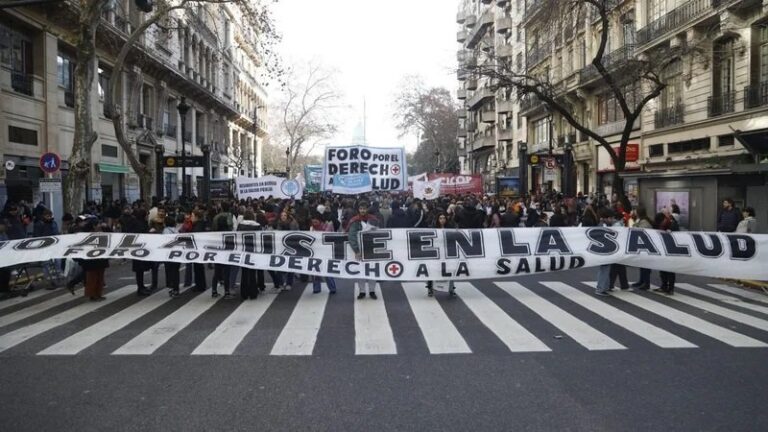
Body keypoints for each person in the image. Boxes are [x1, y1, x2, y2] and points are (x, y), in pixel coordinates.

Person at [347, 201, 379, 300]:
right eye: (361, 209)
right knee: (360, 271)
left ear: (367, 209)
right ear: (358, 210)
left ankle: (372, 290)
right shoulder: (354, 221)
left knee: (372, 270)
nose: (363, 210)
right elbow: (351, 236)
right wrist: (356, 250)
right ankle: (362, 291)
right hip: (360, 250)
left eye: (364, 208)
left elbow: (380, 232)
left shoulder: (373, 220)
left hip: (371, 249)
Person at [79, 217, 110, 301]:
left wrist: (106, 227)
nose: (100, 225)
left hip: (101, 258)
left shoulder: (102, 232)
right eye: (98, 224)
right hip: (92, 260)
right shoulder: (87, 235)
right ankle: (92, 294)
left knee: (100, 277)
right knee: (92, 278)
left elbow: (111, 235)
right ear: (93, 226)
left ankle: (98, 293)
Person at [426, 213, 456, 298]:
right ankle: (430, 288)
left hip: (447, 253)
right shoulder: (433, 229)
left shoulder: (450, 229)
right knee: (433, 270)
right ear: (437, 219)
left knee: (450, 271)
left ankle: (451, 289)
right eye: (440, 218)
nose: (442, 220)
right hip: (436, 253)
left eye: (444, 218)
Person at [237, 210, 263, 300]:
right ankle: (253, 292)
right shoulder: (257, 226)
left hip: (243, 250)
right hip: (253, 250)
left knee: (244, 272)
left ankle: (244, 293)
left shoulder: (240, 225)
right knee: (252, 272)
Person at [630, 206, 653, 291]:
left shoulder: (644, 222)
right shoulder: (640, 220)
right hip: (642, 246)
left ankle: (646, 283)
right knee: (642, 264)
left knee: (645, 266)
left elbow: (640, 231)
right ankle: (641, 281)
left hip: (646, 246)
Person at [653, 211, 677, 295]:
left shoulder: (672, 224)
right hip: (663, 249)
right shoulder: (662, 225)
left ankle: (670, 288)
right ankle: (664, 286)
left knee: (670, 269)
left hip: (671, 250)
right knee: (662, 269)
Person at [164, 215, 183, 298]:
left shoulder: (165, 231)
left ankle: (171, 288)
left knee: (169, 272)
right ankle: (176, 288)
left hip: (168, 254)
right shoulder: (177, 231)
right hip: (177, 254)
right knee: (176, 271)